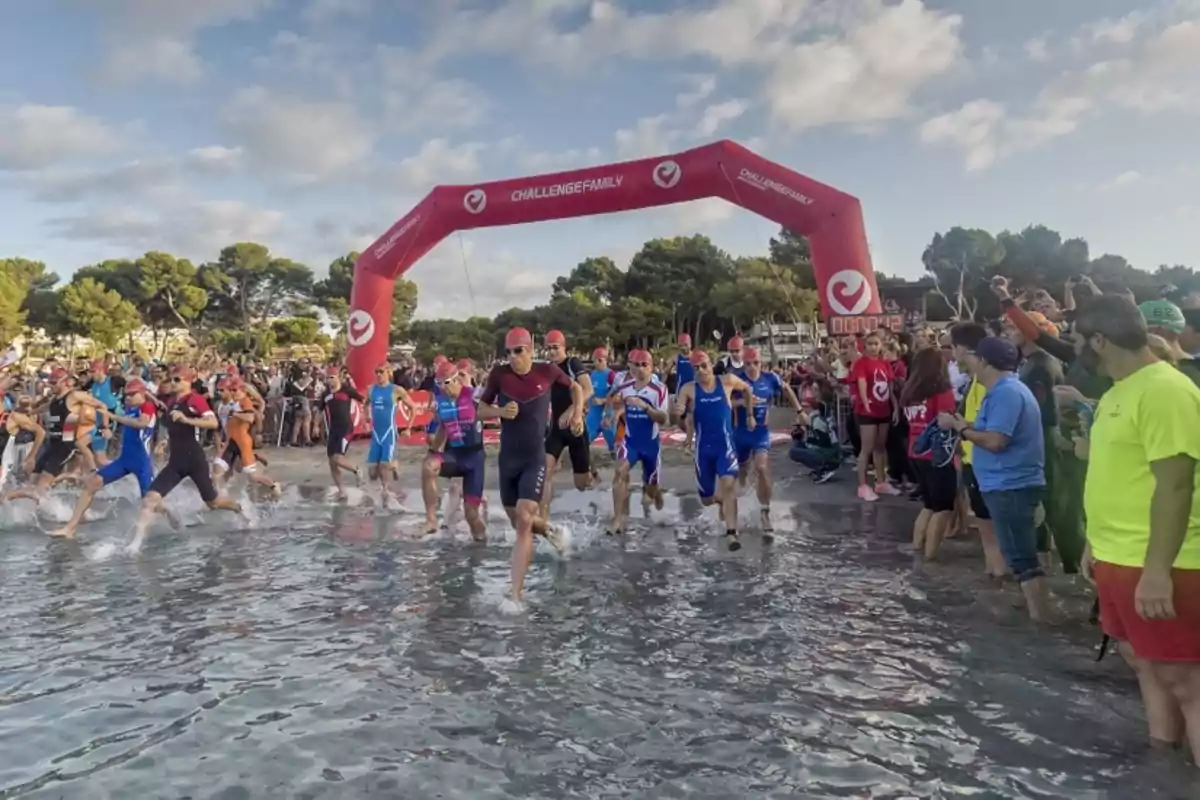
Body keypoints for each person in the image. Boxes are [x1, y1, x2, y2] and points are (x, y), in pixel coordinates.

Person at [1073, 295, 1200, 765]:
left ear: (1100, 340)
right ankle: (1164, 764)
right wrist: (1094, 542)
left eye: (1079, 340)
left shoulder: (1165, 390)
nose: (1077, 350)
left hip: (1165, 561)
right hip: (1116, 556)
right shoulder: (1115, 392)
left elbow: (1175, 485)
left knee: (1187, 682)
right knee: (1145, 665)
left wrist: (1157, 570)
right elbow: (1118, 475)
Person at [938, 337, 1052, 623]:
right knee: (1018, 553)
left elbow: (996, 440)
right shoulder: (1005, 390)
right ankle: (1033, 608)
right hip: (1008, 483)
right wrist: (963, 425)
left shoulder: (1006, 393)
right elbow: (992, 429)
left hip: (1010, 485)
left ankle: (1042, 620)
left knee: (1021, 556)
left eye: (974, 359)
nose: (969, 363)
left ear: (985, 362)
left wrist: (961, 430)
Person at [478, 328, 578, 604]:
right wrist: (499, 412)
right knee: (518, 520)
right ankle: (549, 530)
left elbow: (577, 388)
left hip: (534, 457)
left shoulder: (547, 371)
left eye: (518, 351)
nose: (513, 357)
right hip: (508, 459)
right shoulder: (500, 375)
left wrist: (576, 411)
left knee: (523, 520)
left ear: (530, 350)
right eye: (508, 352)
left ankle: (515, 595)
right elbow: (480, 408)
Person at [127, 367, 243, 552]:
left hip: (194, 460)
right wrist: (164, 441)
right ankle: (136, 544)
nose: (172, 383)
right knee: (149, 499)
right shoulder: (173, 401)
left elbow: (212, 423)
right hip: (176, 462)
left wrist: (187, 420)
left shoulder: (195, 400)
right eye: (171, 379)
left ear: (188, 381)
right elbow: (173, 428)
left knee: (212, 503)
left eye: (176, 379)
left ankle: (239, 508)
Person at [49, 379, 173, 539]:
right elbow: (140, 390)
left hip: (142, 463)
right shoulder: (132, 405)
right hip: (124, 461)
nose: (127, 398)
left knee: (150, 502)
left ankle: (169, 514)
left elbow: (141, 424)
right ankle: (70, 528)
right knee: (92, 484)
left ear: (142, 394)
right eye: (126, 395)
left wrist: (114, 417)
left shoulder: (147, 407)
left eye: (132, 394)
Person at [674, 350, 756, 551]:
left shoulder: (727, 381)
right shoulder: (689, 389)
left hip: (725, 446)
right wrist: (679, 417)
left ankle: (731, 533)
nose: (701, 371)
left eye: (704, 366)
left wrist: (749, 415)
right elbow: (679, 414)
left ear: (711, 364)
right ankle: (721, 503)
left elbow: (747, 389)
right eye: (696, 368)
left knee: (728, 485)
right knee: (706, 498)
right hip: (703, 451)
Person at [3, 369, 109, 507]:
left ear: (64, 382)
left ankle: (56, 510)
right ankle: (38, 509)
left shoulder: (74, 396)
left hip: (65, 446)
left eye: (53, 383)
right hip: (52, 445)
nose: (50, 386)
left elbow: (102, 405)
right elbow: (38, 409)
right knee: (32, 482)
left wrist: (104, 428)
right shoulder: (54, 400)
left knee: (40, 487)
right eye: (50, 383)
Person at [734, 347, 803, 535]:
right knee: (742, 471)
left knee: (762, 468)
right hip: (740, 433)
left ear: (761, 363)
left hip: (761, 433)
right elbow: (723, 400)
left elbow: (787, 389)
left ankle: (764, 512)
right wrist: (741, 403)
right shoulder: (737, 379)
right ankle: (741, 504)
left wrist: (799, 410)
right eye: (747, 364)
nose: (751, 367)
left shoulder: (770, 378)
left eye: (755, 363)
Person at [901, 348, 959, 561]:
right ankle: (930, 557)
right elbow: (946, 422)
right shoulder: (942, 392)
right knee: (943, 508)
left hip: (915, 452)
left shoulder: (910, 392)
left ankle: (917, 548)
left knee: (928, 504)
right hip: (938, 455)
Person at [421, 361, 487, 541]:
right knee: (428, 466)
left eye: (446, 383)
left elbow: (494, 405)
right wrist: (432, 450)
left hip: (474, 458)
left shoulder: (474, 395)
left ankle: (482, 543)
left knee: (471, 516)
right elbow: (443, 428)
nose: (443, 388)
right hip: (455, 455)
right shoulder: (441, 401)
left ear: (457, 379)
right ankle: (431, 520)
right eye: (439, 384)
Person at [607, 349, 669, 536]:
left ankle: (656, 490)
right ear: (630, 367)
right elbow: (613, 400)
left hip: (650, 445)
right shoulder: (625, 387)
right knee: (620, 471)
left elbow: (663, 418)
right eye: (637, 365)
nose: (641, 369)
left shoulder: (659, 389)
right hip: (631, 442)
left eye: (645, 365)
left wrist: (645, 407)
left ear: (651, 367)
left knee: (650, 491)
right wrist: (610, 415)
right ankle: (618, 518)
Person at [540, 330, 595, 518]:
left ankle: (590, 474)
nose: (552, 352)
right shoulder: (547, 369)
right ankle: (543, 518)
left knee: (581, 484)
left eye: (555, 348)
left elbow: (588, 390)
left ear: (564, 347)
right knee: (545, 471)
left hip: (575, 427)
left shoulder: (573, 363)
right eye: (548, 348)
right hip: (556, 429)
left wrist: (572, 411)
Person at [849, 332, 899, 502]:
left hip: (883, 410)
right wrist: (866, 403)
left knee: (880, 447)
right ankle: (862, 486)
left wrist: (896, 407)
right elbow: (862, 384)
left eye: (876, 344)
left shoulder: (884, 363)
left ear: (881, 345)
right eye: (869, 344)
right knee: (866, 448)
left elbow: (890, 388)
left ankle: (881, 481)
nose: (872, 347)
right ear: (865, 346)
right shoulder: (861, 363)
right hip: (866, 412)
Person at [214, 377, 282, 497]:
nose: (232, 392)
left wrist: (234, 414)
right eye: (219, 390)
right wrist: (219, 443)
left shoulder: (244, 402)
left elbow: (251, 417)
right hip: (230, 441)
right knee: (219, 470)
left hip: (243, 442)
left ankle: (273, 485)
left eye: (234, 390)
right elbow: (218, 428)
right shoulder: (221, 406)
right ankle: (220, 496)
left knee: (252, 476)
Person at [365, 362, 417, 509]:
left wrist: (408, 428)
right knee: (372, 473)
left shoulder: (396, 390)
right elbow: (365, 404)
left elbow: (413, 407)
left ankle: (385, 492)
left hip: (389, 432)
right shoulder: (371, 389)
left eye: (381, 372)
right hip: (376, 433)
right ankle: (394, 465)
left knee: (382, 466)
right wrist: (366, 418)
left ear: (388, 372)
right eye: (376, 372)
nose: (378, 375)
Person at [321, 368, 363, 500]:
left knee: (338, 458)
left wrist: (367, 416)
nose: (330, 380)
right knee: (331, 463)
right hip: (333, 429)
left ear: (338, 377)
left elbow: (363, 399)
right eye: (328, 378)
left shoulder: (346, 390)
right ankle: (342, 490)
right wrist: (317, 426)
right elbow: (319, 409)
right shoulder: (325, 394)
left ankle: (356, 469)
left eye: (332, 377)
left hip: (346, 428)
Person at [0, 396, 44, 488]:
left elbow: (41, 432)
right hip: (9, 451)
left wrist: (31, 457)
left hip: (12, 452)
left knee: (20, 480)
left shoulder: (14, 416)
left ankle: (40, 497)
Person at [586, 347, 618, 454]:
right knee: (586, 438)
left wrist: (603, 400)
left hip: (607, 412)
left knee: (612, 440)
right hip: (593, 413)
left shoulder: (610, 375)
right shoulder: (591, 375)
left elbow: (617, 395)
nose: (597, 363)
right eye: (595, 360)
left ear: (606, 360)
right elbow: (586, 390)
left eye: (600, 360)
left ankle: (616, 456)